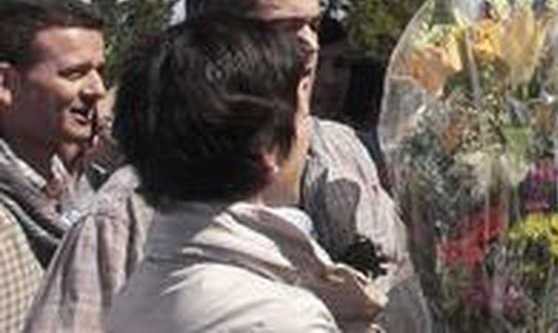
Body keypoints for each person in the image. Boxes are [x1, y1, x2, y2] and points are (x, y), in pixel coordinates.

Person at [24, 0, 423, 332]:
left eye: (313, 24)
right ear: (214, 41)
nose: (309, 44)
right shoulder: (130, 206)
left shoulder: (346, 151)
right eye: (279, 28)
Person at [105, 17, 383, 331]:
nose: (310, 132)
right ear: (267, 150)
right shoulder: (279, 317)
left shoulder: (138, 291)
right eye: (302, 110)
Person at [0, 0, 106, 332]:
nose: (97, 90)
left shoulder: (73, 195)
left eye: (99, 71)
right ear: (5, 84)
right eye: (74, 73)